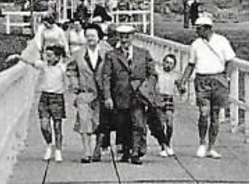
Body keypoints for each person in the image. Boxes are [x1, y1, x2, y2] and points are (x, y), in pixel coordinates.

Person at [97, 24, 155, 163]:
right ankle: (127, 151)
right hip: (120, 95)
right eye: (122, 36)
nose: (124, 39)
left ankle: (136, 152)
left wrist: (147, 89)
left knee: (138, 123)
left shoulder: (143, 53)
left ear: (133, 37)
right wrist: (108, 97)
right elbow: (107, 77)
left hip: (138, 95)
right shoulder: (111, 55)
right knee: (123, 125)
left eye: (127, 36)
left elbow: (152, 74)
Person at [181, 13, 236, 158]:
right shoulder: (195, 45)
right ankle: (202, 143)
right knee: (204, 113)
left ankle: (211, 147)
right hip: (202, 79)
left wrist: (227, 78)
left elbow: (230, 60)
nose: (196, 31)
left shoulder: (222, 41)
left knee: (215, 115)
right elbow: (191, 65)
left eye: (198, 29)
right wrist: (183, 81)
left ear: (207, 29)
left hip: (218, 78)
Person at [18, 42, 70, 162]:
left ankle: (58, 150)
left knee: (57, 125)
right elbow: (31, 62)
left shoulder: (62, 67)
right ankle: (49, 144)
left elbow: (69, 74)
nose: (48, 58)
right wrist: (18, 57)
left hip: (57, 97)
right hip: (45, 97)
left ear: (57, 57)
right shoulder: (43, 65)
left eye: (50, 55)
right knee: (44, 125)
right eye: (46, 55)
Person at [70, 23, 111, 162]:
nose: (90, 38)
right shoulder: (78, 53)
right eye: (87, 36)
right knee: (84, 122)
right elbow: (71, 70)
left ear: (99, 37)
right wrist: (75, 84)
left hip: (102, 93)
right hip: (85, 93)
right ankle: (86, 152)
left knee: (100, 123)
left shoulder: (108, 52)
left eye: (93, 35)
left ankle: (97, 149)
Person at [142, 52, 184, 157]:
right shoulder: (158, 73)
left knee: (169, 123)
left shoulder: (175, 76)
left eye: (170, 63)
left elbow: (180, 88)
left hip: (169, 98)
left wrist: (182, 89)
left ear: (174, 65)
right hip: (159, 98)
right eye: (166, 62)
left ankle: (168, 143)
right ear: (163, 62)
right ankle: (163, 145)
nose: (168, 65)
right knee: (160, 123)